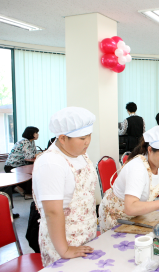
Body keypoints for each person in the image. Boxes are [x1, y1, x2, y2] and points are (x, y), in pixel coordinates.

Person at [32, 107, 97, 267]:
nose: (87, 141)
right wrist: (64, 250)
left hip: (87, 235)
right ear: (62, 138)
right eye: (82, 138)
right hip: (63, 241)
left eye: (89, 135)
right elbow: (53, 211)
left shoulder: (82, 154)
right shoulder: (51, 163)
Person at [99, 125, 159, 233]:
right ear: (150, 150)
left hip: (137, 215)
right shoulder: (137, 168)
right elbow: (130, 207)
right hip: (117, 216)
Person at [2, 126, 39, 217]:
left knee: (34, 171)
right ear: (31, 134)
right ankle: (26, 192)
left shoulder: (31, 142)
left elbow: (33, 154)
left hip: (20, 165)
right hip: (12, 166)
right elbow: (29, 157)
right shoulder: (25, 142)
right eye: (36, 133)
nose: (38, 135)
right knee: (32, 173)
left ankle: (21, 189)